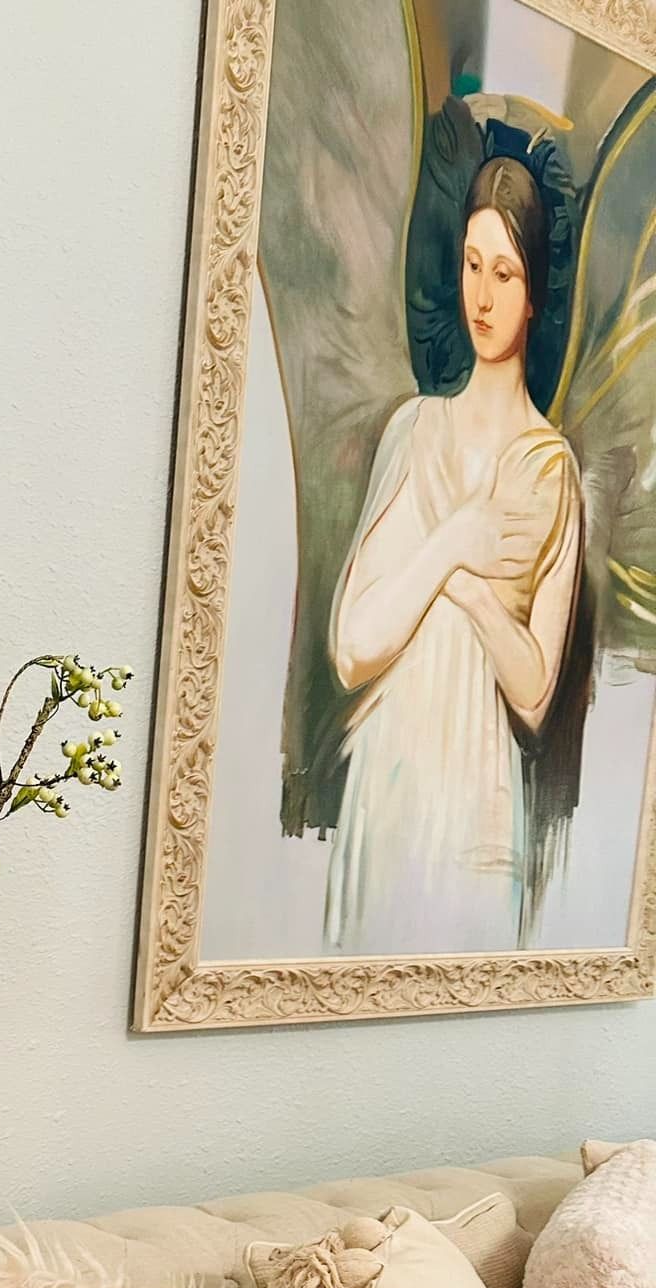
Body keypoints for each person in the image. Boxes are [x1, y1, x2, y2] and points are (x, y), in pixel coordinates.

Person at [324, 154, 584, 956]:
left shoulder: (552, 469)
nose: (481, 295)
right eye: (473, 265)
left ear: (534, 291)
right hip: (390, 782)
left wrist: (470, 591)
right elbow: (354, 648)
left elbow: (536, 694)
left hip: (478, 803)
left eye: (504, 273)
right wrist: (450, 545)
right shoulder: (415, 430)